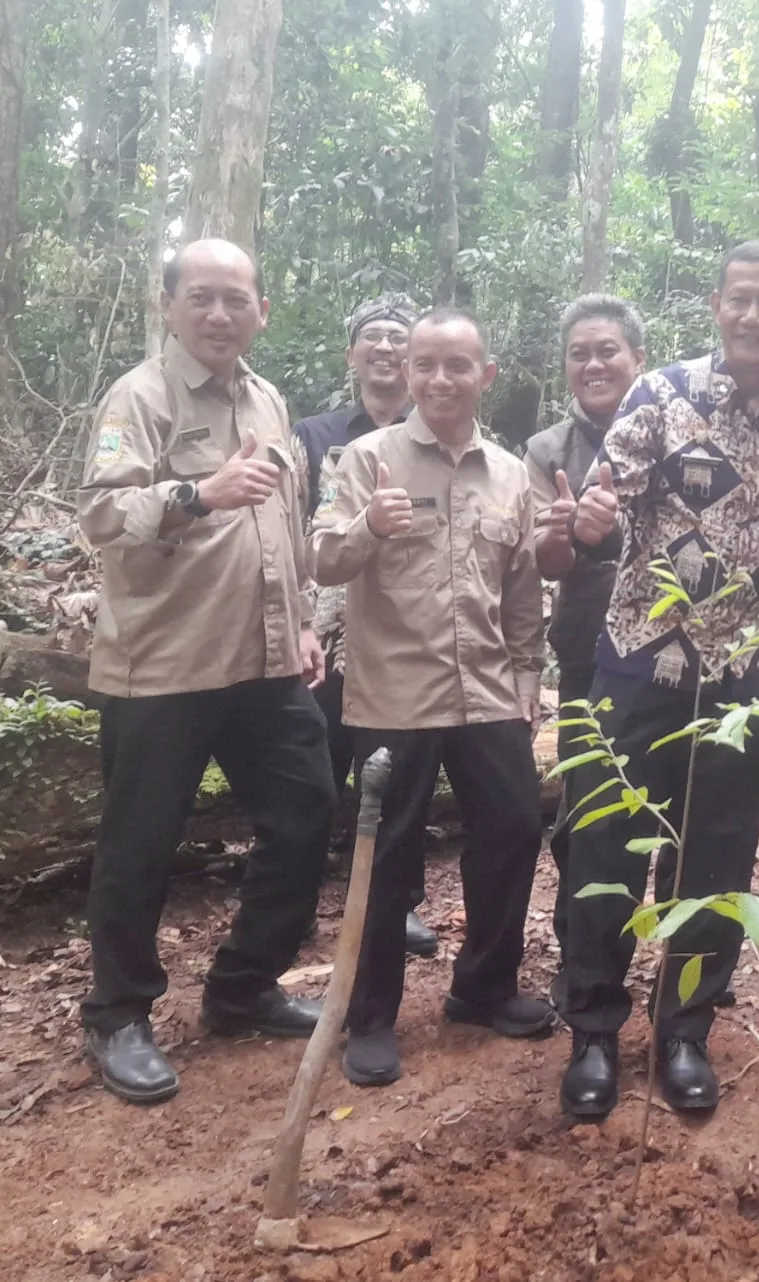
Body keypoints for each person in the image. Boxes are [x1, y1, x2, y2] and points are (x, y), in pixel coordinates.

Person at [558, 240, 759, 1119]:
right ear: (717, 308)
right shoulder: (659, 395)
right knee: (605, 850)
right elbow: (607, 505)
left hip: (749, 678)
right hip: (642, 662)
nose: (755, 316)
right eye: (740, 300)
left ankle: (684, 1033)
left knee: (715, 860)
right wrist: (594, 517)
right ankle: (594, 1037)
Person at [76, 238, 336, 1104]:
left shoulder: (268, 398)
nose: (220, 314)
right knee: (139, 848)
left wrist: (301, 622)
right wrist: (196, 493)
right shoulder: (139, 397)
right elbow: (103, 515)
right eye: (202, 298)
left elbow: (289, 528)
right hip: (163, 668)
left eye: (237, 299)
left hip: (263, 665)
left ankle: (242, 986)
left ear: (262, 309)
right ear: (168, 305)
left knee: (306, 815)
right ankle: (117, 1014)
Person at [309, 308, 553, 1087]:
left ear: (485, 377)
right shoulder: (365, 460)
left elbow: (521, 590)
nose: (440, 380)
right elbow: (321, 561)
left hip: (487, 692)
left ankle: (484, 987)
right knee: (386, 858)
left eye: (458, 366)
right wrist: (369, 530)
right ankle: (372, 1016)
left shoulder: (511, 473)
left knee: (514, 827)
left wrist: (527, 677)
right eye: (426, 365)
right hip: (393, 698)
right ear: (406, 373)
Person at [292, 294, 437, 958]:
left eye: (398, 339)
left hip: (405, 639)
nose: (385, 348)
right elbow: (285, 534)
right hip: (322, 637)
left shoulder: (439, 434)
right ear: (352, 354)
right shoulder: (313, 436)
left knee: (401, 779)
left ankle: (395, 904)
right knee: (314, 775)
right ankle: (294, 910)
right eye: (372, 338)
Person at [523, 294, 647, 1008]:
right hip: (588, 651)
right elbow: (547, 563)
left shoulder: (678, 429)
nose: (594, 365)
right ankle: (583, 951)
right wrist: (567, 532)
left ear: (638, 359)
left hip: (676, 648)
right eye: (580, 353)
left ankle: (689, 950)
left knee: (682, 807)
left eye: (608, 351)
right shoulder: (548, 451)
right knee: (588, 804)